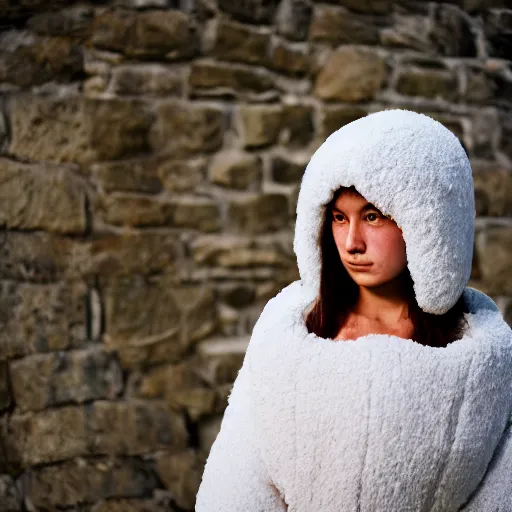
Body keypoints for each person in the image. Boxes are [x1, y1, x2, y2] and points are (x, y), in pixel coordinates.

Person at [195, 109, 512, 511]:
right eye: (339, 218)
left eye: (372, 216)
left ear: (427, 220)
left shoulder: (485, 365)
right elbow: (237, 485)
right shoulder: (284, 341)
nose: (351, 242)